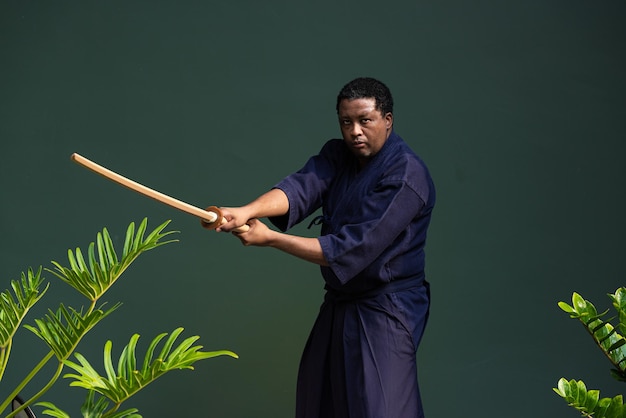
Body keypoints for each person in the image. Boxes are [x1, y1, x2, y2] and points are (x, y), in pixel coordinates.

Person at [215, 77, 435, 418]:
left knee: (382, 409)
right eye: (347, 122)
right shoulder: (338, 155)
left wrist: (270, 238)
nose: (355, 131)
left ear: (387, 120)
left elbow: (350, 249)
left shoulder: (406, 176)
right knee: (321, 403)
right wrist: (246, 211)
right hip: (340, 302)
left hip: (387, 309)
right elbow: (300, 190)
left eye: (366, 120)